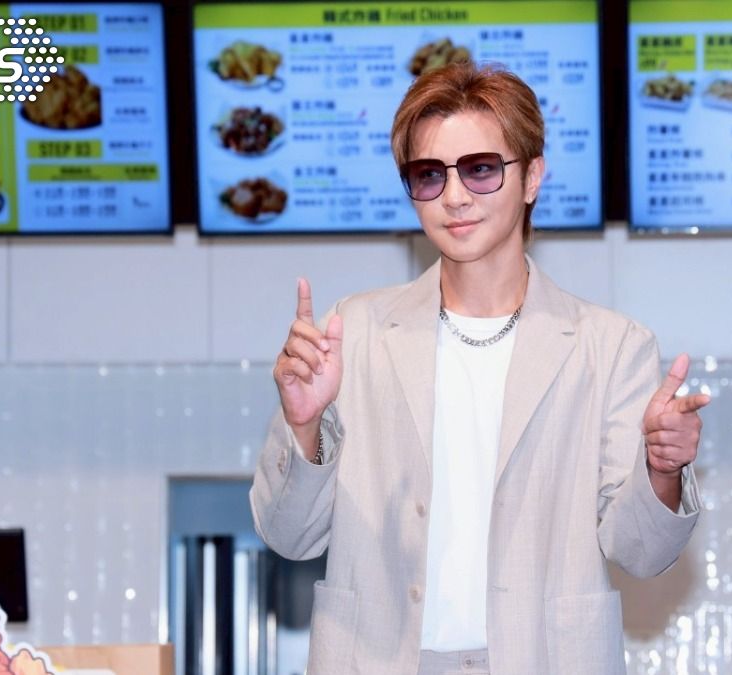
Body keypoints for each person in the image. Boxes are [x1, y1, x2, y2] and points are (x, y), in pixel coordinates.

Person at [251, 61, 708, 675]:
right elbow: (288, 536)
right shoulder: (351, 334)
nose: (455, 196)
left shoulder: (610, 347)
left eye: (481, 169)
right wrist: (304, 427)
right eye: (429, 175)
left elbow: (642, 552)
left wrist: (662, 470)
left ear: (532, 177)